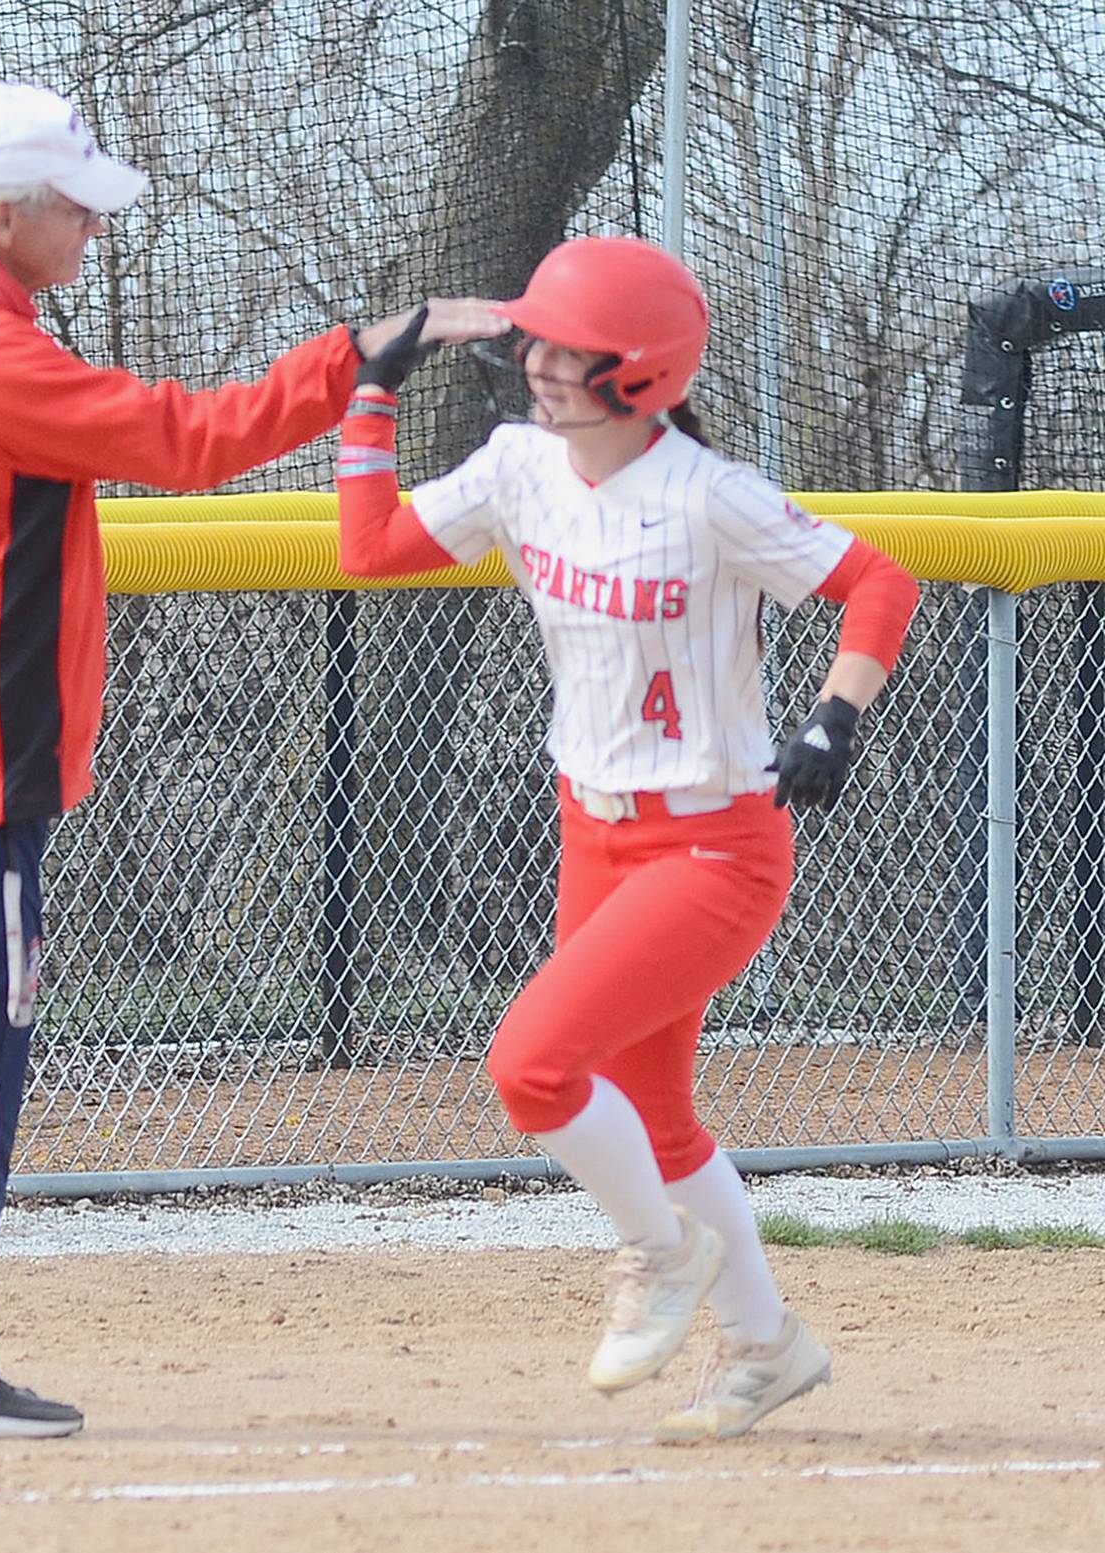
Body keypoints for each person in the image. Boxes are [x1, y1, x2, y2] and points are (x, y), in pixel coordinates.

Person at [0, 80, 504, 1441]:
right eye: (74, 209)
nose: (94, 231)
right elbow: (195, 441)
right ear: (2, 214)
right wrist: (365, 358)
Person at [335, 236, 918, 1442]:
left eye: (571, 349)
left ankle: (662, 1253)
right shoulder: (517, 468)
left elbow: (881, 581)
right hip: (590, 832)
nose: (541, 363)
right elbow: (370, 548)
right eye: (538, 341)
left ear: (640, 375)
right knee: (652, 1119)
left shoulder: (709, 493)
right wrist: (374, 393)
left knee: (533, 1066)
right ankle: (768, 1345)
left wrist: (835, 714)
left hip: (714, 846)